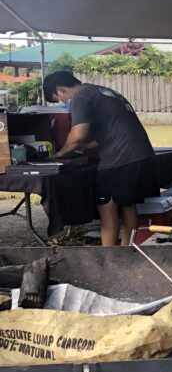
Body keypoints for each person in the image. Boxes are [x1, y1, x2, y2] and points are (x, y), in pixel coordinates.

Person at [43, 70, 158, 247]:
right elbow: (112, 127)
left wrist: (59, 154)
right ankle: (129, 254)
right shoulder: (102, 91)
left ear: (60, 89)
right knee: (128, 205)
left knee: (108, 208)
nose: (62, 102)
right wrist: (87, 148)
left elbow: (78, 136)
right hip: (141, 155)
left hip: (120, 159)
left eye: (58, 99)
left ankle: (107, 258)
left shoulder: (80, 97)